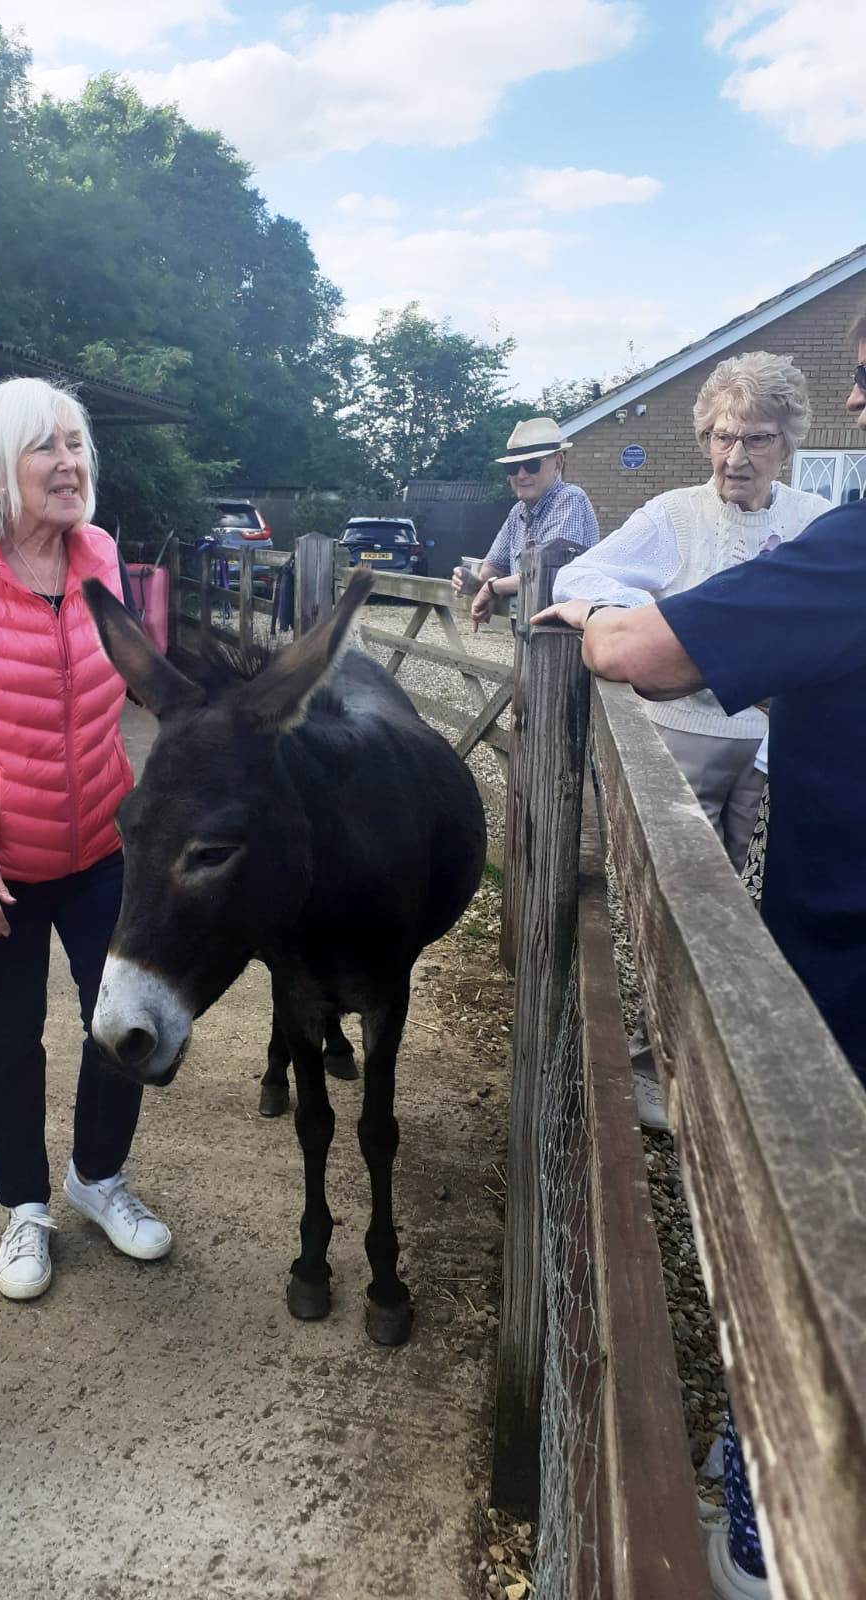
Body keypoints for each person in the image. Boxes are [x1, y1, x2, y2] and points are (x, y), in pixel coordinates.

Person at [533, 328, 866, 1600]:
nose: (848, 398)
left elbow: (629, 648)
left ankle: (773, 1486)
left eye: (863, 379)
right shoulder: (692, 514)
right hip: (713, 779)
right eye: (721, 434)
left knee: (805, 1192)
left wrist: (591, 618)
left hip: (840, 943)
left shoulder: (836, 542)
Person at [0, 376, 172, 1302]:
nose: (71, 462)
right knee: (8, 1035)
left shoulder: (101, 553)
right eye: (48, 445)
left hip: (99, 843)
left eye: (79, 443)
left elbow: (143, 681)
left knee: (121, 1021)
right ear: (0, 464)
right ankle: (25, 1209)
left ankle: (98, 1180)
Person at [552, 352, 828, 873]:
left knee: (760, 887)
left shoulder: (813, 519)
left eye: (757, 438)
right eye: (722, 437)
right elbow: (577, 575)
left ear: (787, 444)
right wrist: (657, 621)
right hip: (682, 737)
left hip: (777, 744)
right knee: (682, 882)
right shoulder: (673, 514)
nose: (735, 457)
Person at [451, 417, 599, 631]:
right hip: (534, 638)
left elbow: (547, 576)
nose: (521, 474)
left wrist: (492, 588)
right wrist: (473, 581)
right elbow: (493, 567)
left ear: (558, 463)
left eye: (531, 464)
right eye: (512, 467)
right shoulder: (517, 512)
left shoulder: (569, 500)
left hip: (565, 641)